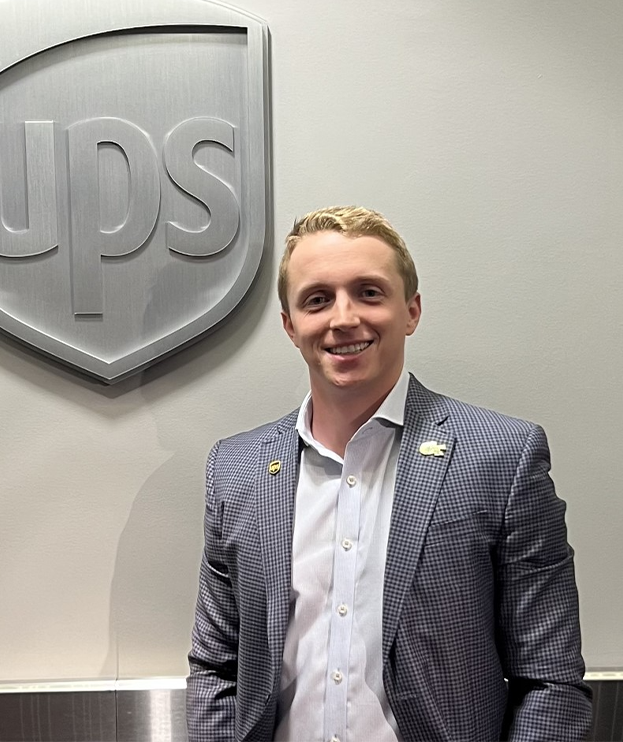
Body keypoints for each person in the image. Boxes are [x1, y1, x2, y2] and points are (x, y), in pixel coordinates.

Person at [186, 206, 592, 742]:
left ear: (412, 311)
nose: (344, 317)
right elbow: (216, 668)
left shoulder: (503, 458)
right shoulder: (236, 470)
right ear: (290, 326)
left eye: (370, 292)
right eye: (317, 299)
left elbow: (550, 681)